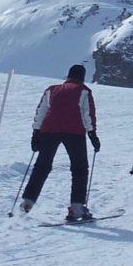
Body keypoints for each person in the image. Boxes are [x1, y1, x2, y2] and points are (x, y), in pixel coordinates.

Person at [21, 64, 100, 222]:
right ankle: (77, 208)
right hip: (74, 131)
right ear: (82, 77)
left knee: (42, 167)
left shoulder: (52, 89)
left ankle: (26, 204)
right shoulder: (84, 91)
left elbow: (41, 111)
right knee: (79, 168)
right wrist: (92, 134)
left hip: (49, 129)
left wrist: (36, 132)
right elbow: (88, 114)